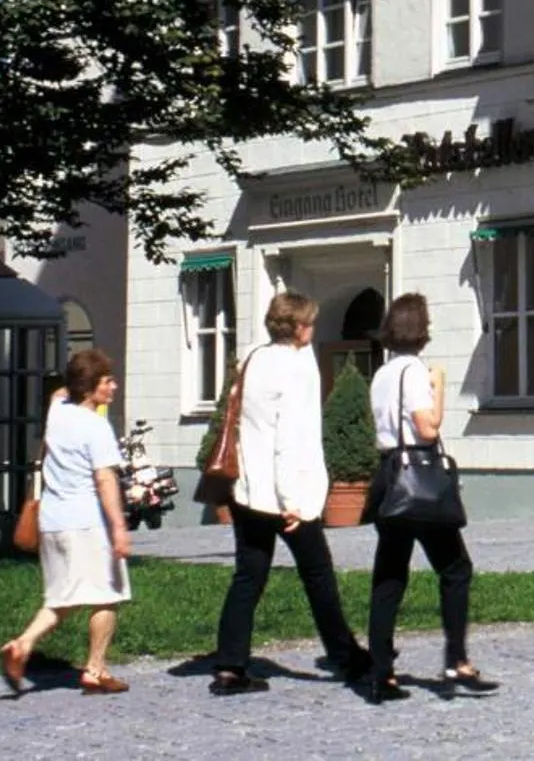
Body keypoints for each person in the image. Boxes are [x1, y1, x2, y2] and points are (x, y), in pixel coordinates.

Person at [209, 291, 369, 695]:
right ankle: (347, 657)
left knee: (248, 576)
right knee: (318, 575)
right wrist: (292, 501)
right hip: (284, 494)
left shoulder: (254, 357)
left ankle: (229, 666)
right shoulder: (296, 369)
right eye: (309, 322)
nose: (313, 329)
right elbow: (289, 439)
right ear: (298, 328)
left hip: (247, 489)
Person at [364, 292, 494, 700]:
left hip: (388, 474)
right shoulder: (416, 372)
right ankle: (457, 659)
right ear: (421, 331)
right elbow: (428, 427)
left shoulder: (382, 374)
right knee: (455, 568)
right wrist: (439, 387)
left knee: (389, 574)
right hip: (417, 477)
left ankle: (381, 670)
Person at [0, 346, 132, 696]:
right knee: (107, 594)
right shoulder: (96, 427)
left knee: (62, 598)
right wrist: (119, 528)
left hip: (53, 521)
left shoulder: (57, 412)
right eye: (107, 381)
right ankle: (95, 669)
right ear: (90, 387)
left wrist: (76, 382)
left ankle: (23, 644)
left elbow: (59, 392)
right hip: (87, 522)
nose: (114, 387)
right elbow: (105, 480)